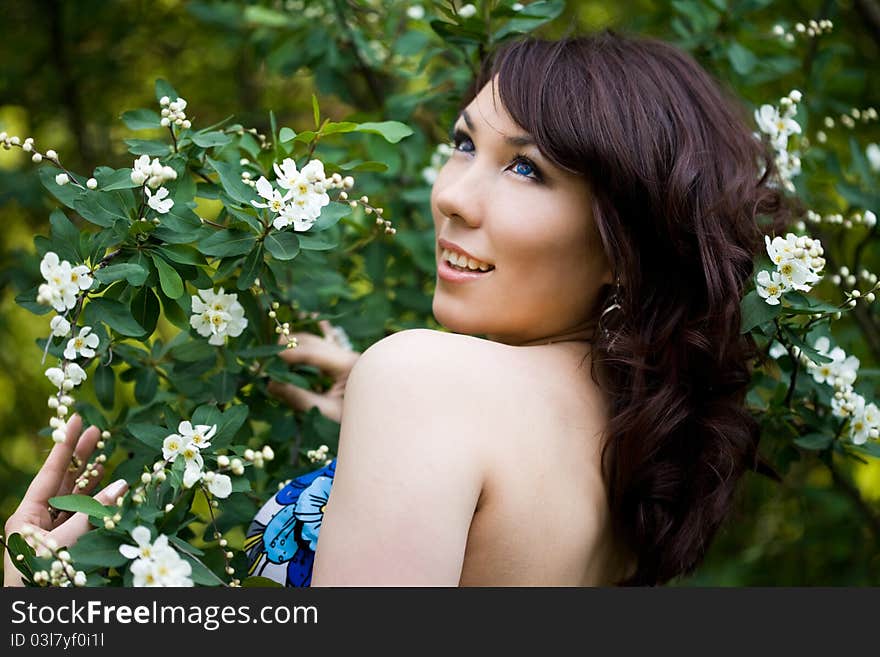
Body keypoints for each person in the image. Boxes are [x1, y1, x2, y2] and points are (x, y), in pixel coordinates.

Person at [4, 29, 792, 587]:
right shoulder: (636, 449)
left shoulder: (427, 383)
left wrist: (43, 609)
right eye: (462, 141)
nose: (450, 195)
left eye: (525, 170)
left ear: (626, 237)